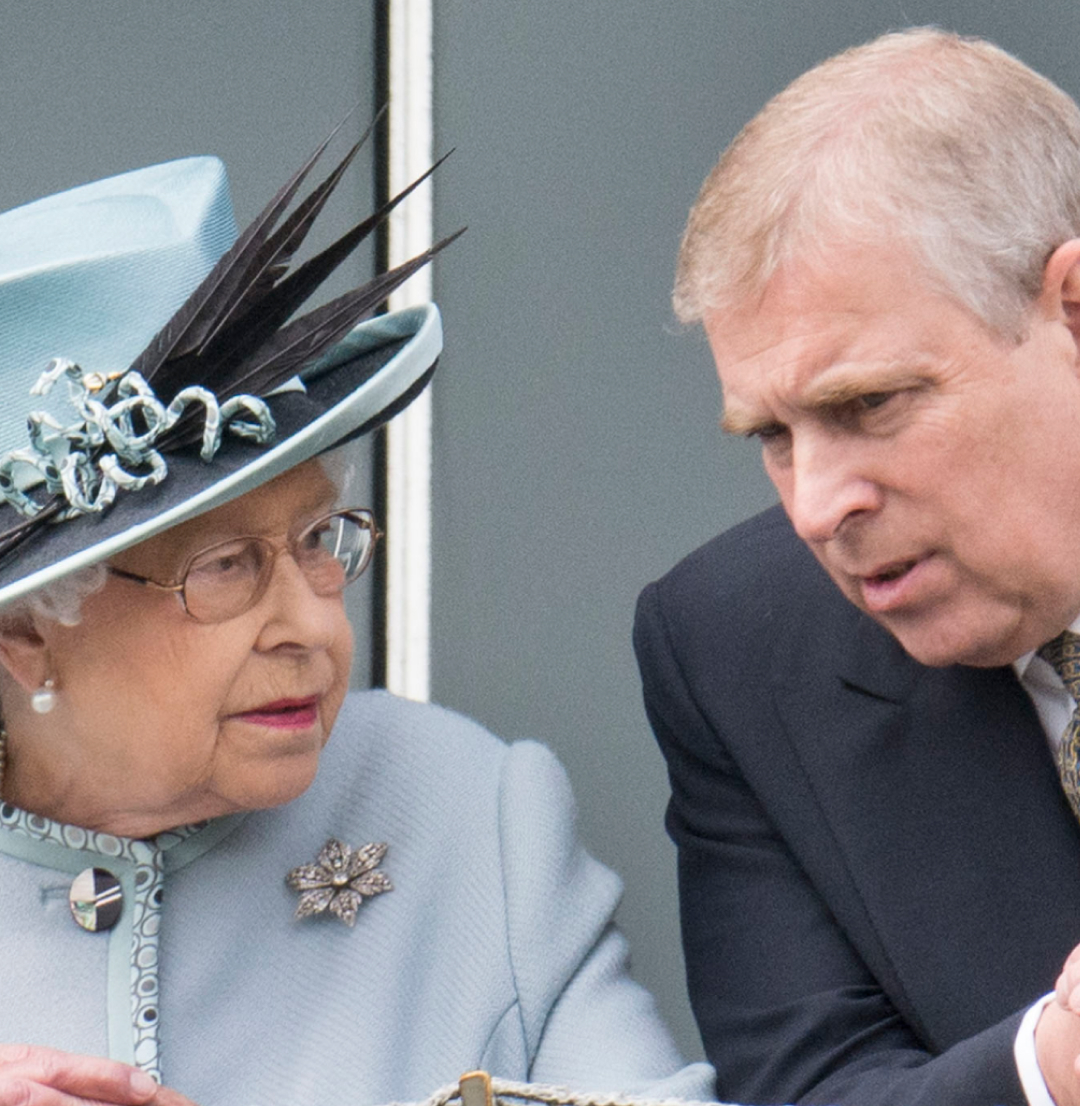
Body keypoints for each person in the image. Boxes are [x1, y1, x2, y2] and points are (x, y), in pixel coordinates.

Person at [0, 143, 715, 1106]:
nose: (309, 625)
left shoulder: (469, 812)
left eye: (315, 540)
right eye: (224, 568)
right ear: (28, 634)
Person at [633, 26, 1080, 1106]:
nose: (817, 506)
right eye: (772, 437)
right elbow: (811, 1088)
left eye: (868, 404)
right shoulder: (731, 645)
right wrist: (1051, 1067)